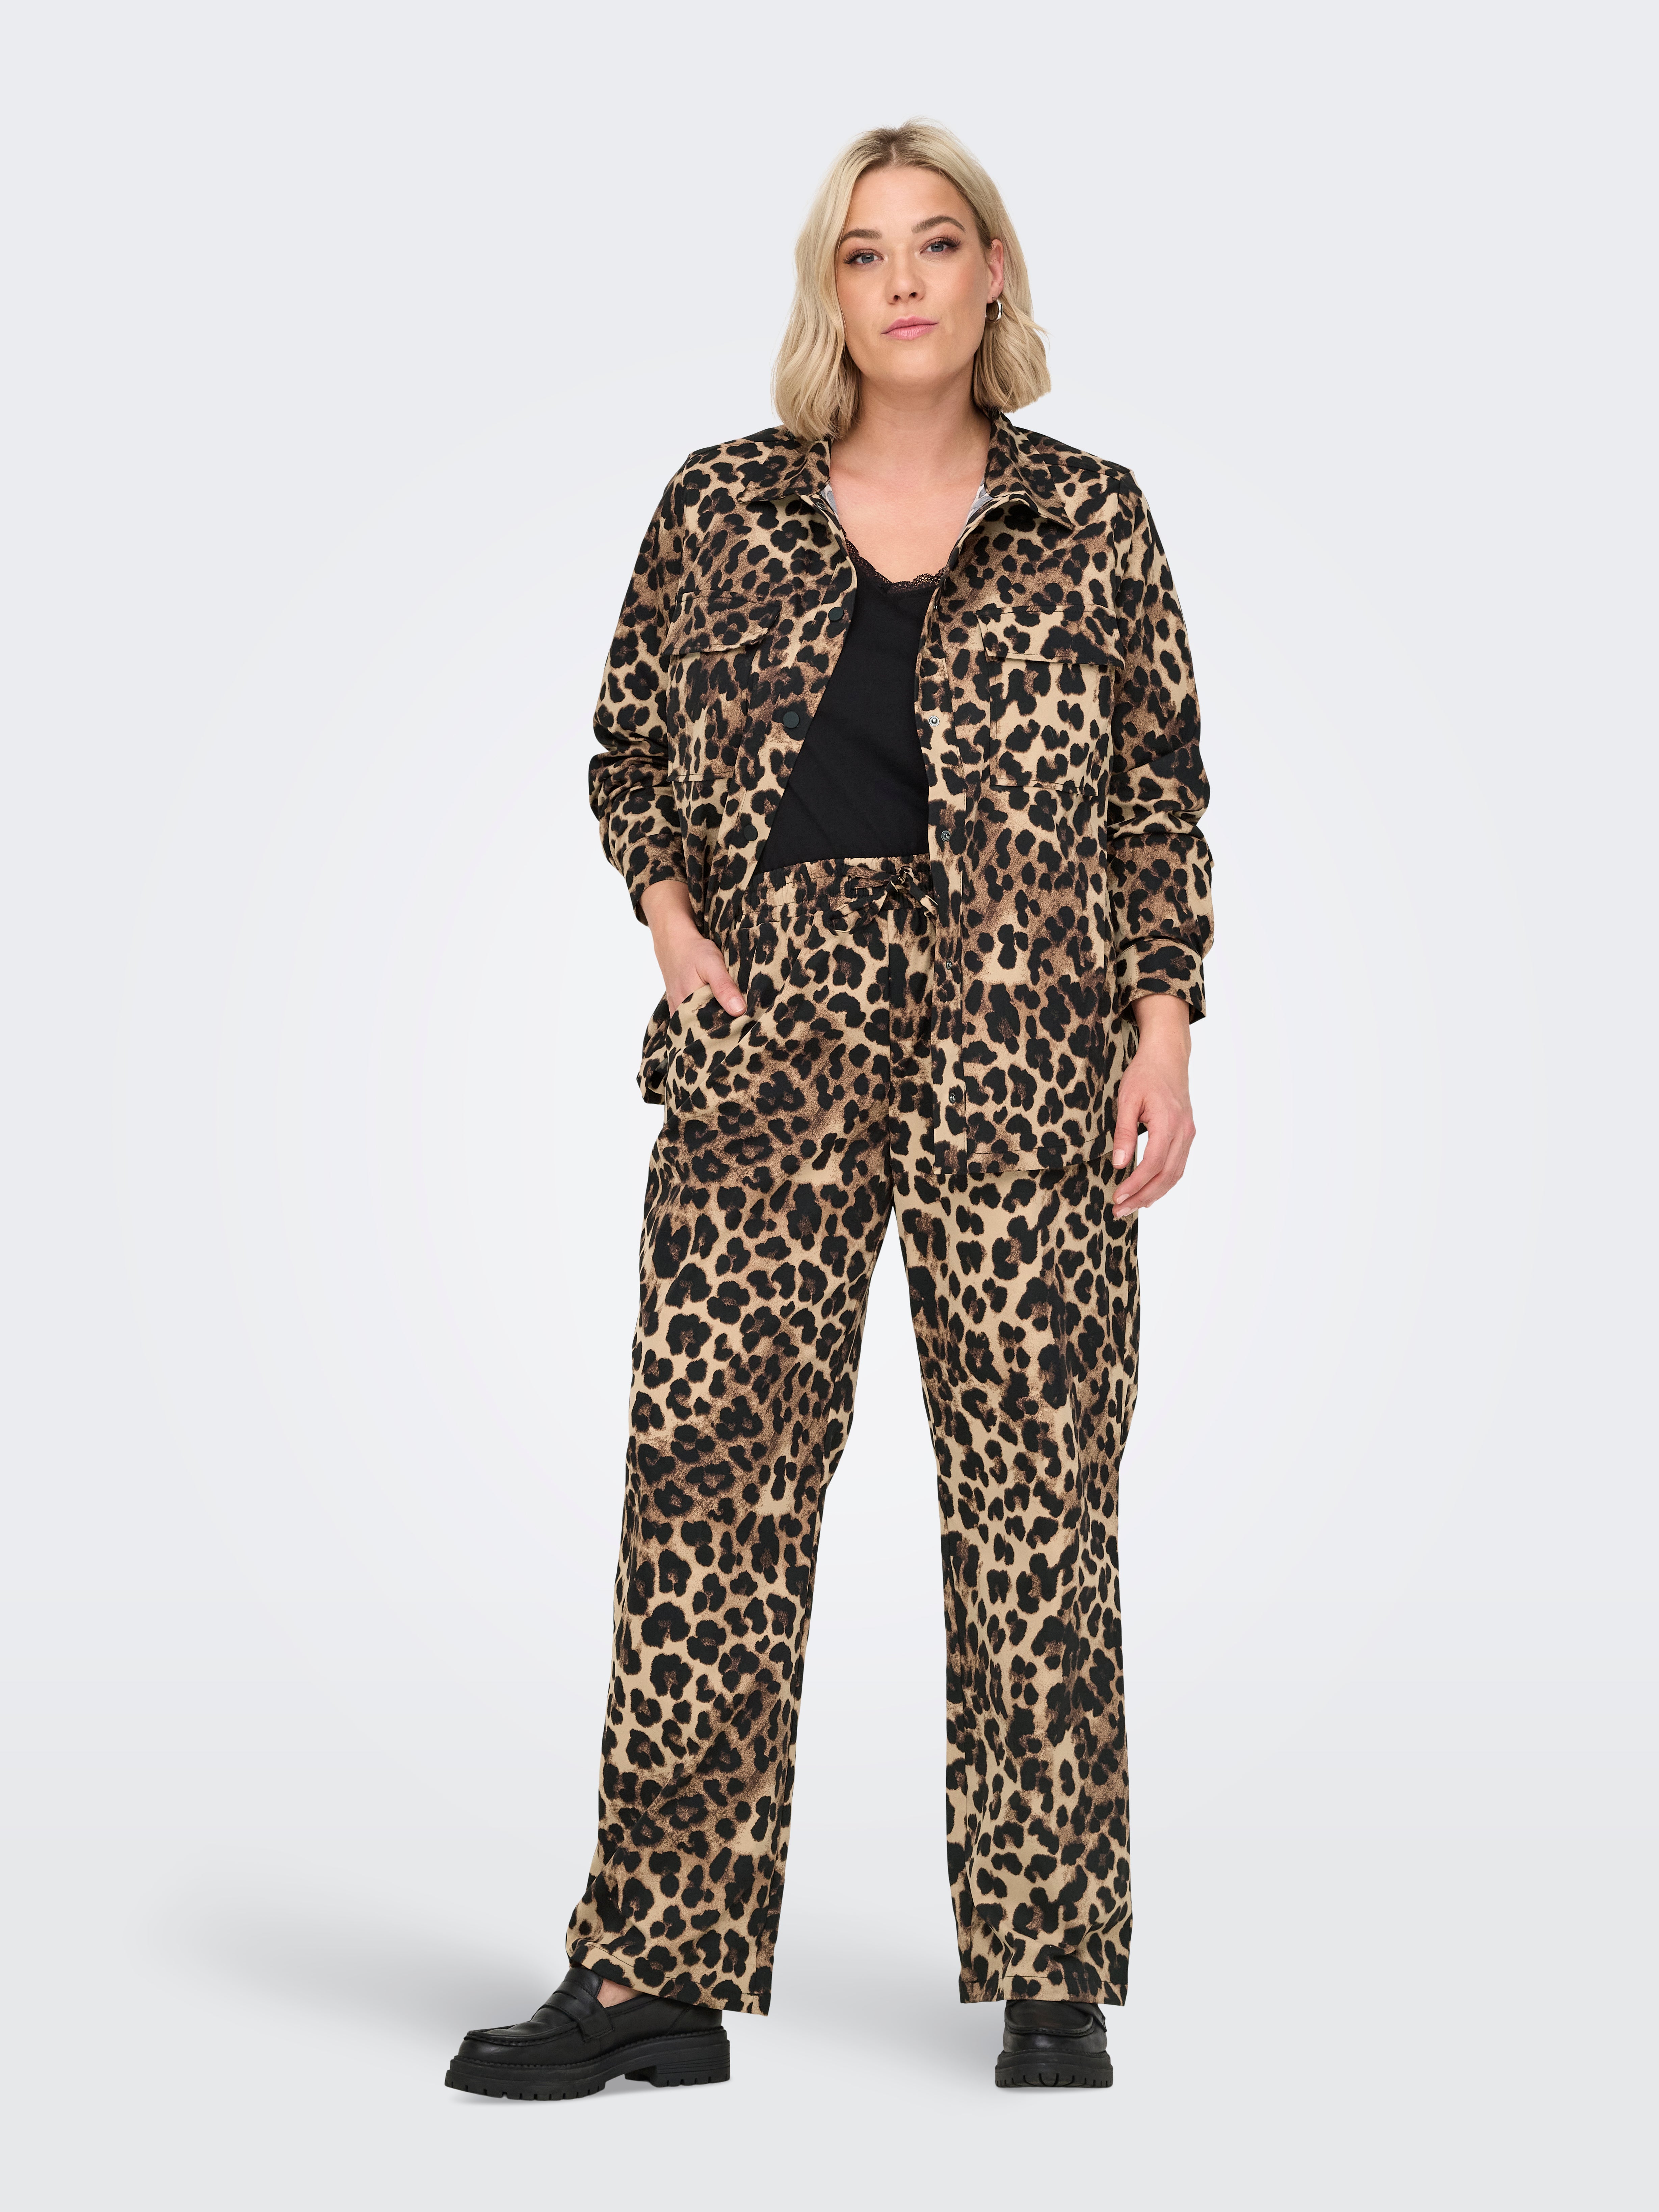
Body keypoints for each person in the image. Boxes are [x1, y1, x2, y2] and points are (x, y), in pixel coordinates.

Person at [445, 117, 1213, 2102]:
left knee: (1038, 1492)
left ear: (990, 272)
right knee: (709, 1483)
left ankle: (1053, 1967)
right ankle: (654, 1967)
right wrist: (672, 922)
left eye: (935, 244)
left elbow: (1158, 792)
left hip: (1027, 1030)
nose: (901, 281)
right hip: (774, 1022)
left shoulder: (1092, 517)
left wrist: (1161, 1034)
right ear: (831, 290)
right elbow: (627, 740)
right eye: (863, 252)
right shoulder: (723, 504)